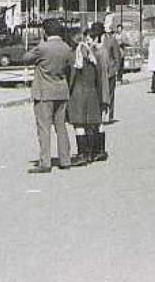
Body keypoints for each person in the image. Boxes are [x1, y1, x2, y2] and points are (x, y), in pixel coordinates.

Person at [23, 18, 74, 173]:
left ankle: (45, 162)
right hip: (61, 90)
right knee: (61, 127)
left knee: (44, 128)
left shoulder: (43, 48)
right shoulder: (66, 48)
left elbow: (26, 59)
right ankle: (65, 159)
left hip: (44, 92)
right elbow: (70, 69)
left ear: (45, 31)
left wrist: (39, 44)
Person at [68, 23, 110, 165]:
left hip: (80, 93)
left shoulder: (81, 56)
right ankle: (95, 151)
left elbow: (73, 77)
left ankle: (85, 153)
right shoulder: (94, 54)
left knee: (80, 124)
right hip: (92, 91)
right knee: (94, 122)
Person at [102, 26, 122, 123]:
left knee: (110, 94)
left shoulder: (112, 40)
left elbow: (117, 56)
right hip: (98, 72)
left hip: (109, 71)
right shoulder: (94, 41)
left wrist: (115, 70)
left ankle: (109, 115)